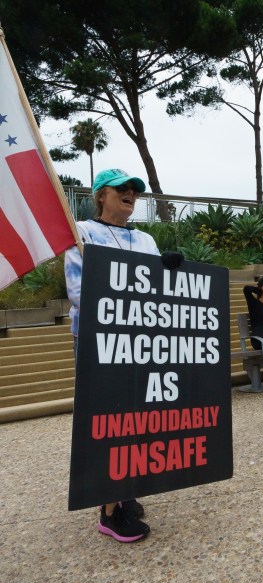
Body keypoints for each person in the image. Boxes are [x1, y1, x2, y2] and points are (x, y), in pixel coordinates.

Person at [64, 168, 177, 542]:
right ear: (100, 195)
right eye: (121, 189)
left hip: (142, 341)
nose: (130, 194)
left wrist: (173, 272)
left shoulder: (145, 239)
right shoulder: (81, 232)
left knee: (138, 417)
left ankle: (125, 490)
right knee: (108, 418)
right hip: (101, 341)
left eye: (134, 191)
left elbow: (162, 288)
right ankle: (108, 512)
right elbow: (79, 292)